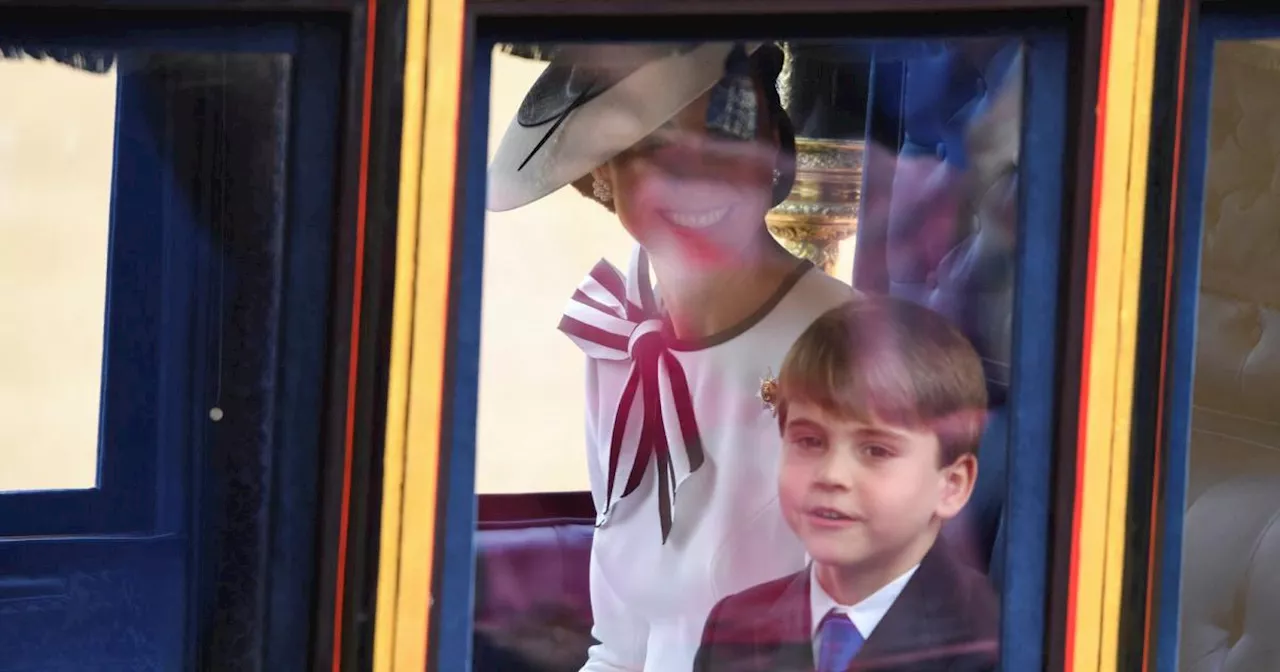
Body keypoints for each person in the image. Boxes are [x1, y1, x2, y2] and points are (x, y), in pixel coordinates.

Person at [486, 42, 856, 671]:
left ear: (769, 137)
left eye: (726, 129)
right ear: (596, 174)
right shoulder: (617, 336)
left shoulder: (852, 349)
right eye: (653, 146)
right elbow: (622, 643)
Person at [693, 297, 1000, 672]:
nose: (831, 475)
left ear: (951, 485)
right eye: (809, 441)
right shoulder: (733, 626)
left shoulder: (1002, 641)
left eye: (876, 450)